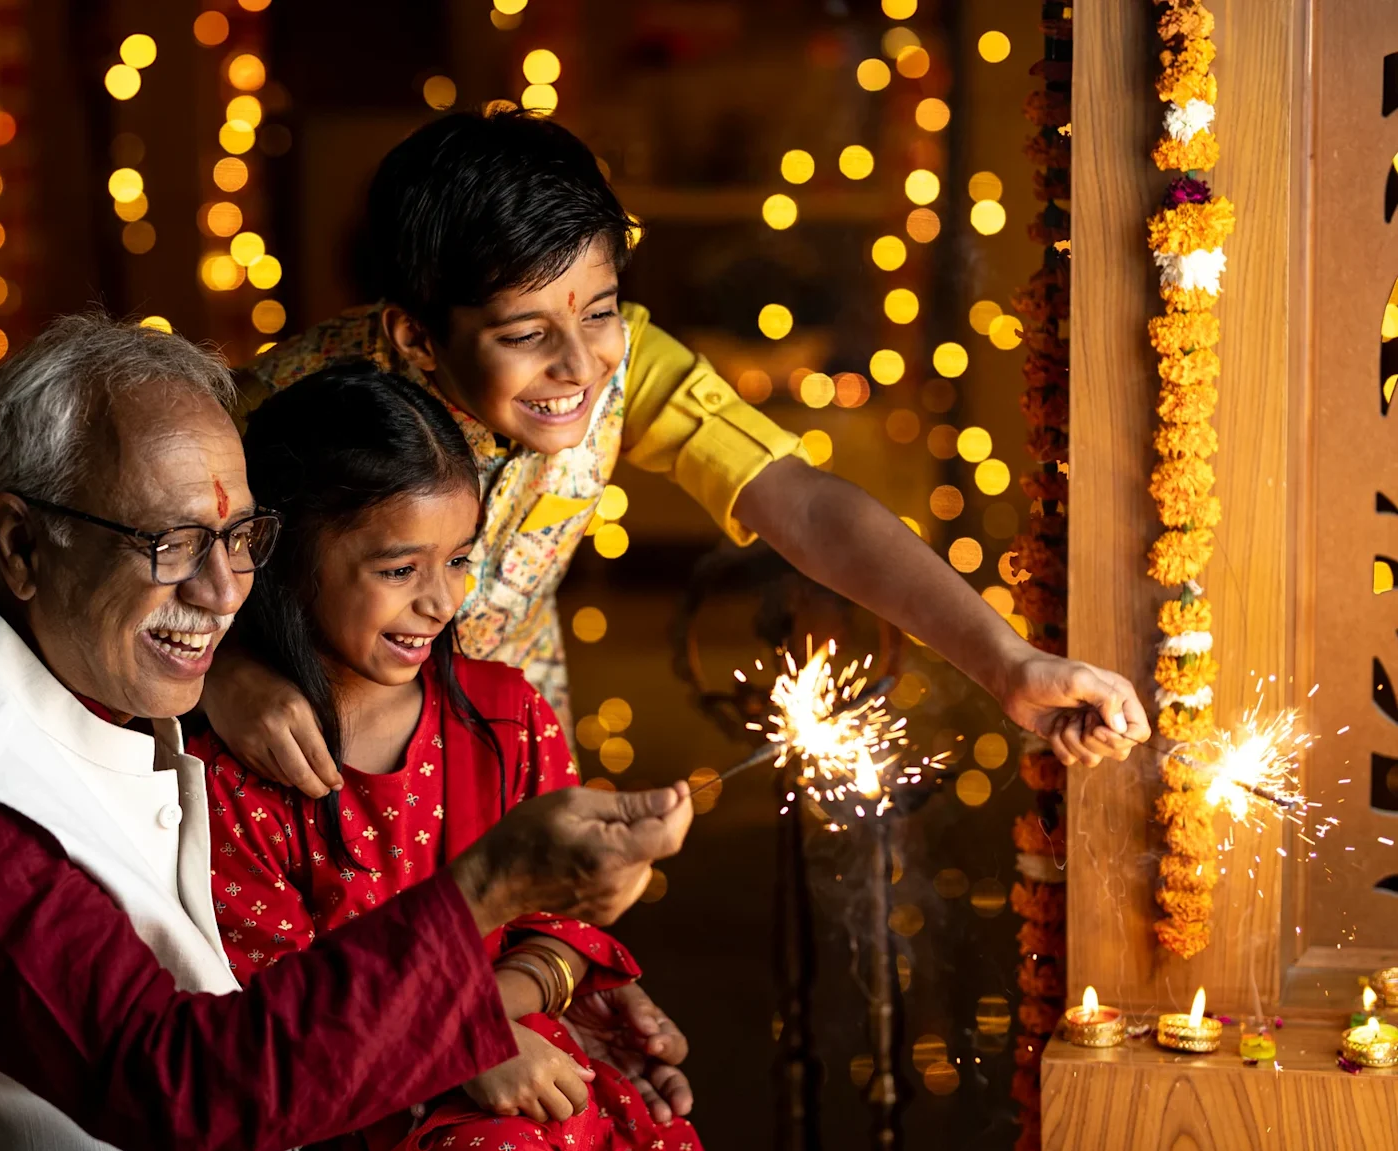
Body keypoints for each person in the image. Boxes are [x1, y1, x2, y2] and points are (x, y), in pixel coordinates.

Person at [0, 313, 695, 1151]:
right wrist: (486, 893)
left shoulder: (108, 674)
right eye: (170, 544)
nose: (221, 591)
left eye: (241, 537)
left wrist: (541, 984)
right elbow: (180, 1094)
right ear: (22, 543)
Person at [207, 109, 1151, 796]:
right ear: (416, 336)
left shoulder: (629, 369)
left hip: (505, 745)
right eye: (522, 333)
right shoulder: (285, 407)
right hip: (305, 753)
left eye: (600, 310)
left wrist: (1005, 662)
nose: (577, 365)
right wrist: (223, 677)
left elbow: (809, 508)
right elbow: (121, 539)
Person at [189, 361, 764, 1151]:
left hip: (541, 1081)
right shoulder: (238, 775)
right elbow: (277, 1011)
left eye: (459, 559)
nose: (439, 600)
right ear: (282, 555)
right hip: (384, 1133)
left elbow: (563, 932)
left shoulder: (504, 720)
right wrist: (454, 1046)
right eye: (396, 569)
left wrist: (498, 1013)